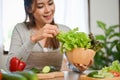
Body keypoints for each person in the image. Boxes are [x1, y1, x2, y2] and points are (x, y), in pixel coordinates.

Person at [6, 0, 92, 72]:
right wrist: (33, 39)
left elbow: (72, 66)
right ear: (29, 8)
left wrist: (79, 67)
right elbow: (9, 67)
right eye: (40, 6)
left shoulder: (64, 31)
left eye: (50, 3)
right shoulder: (20, 29)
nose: (48, 10)